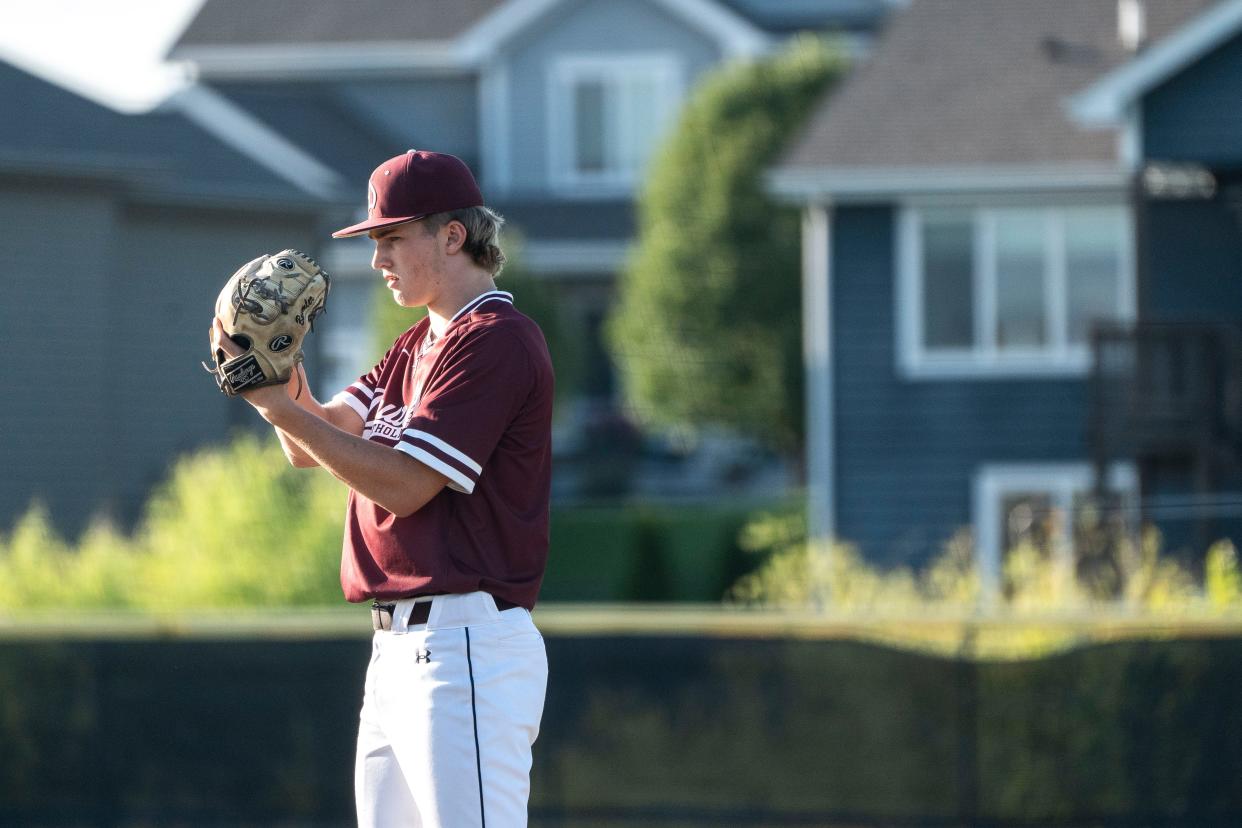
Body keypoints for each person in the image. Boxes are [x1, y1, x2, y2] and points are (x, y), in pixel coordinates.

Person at [210, 149, 553, 827]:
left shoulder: (495, 340)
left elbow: (405, 487)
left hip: (464, 652)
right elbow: (318, 440)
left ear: (452, 235)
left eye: (391, 237)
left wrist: (281, 408)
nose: (378, 259)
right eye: (375, 240)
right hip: (397, 654)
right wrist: (276, 377)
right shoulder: (412, 345)